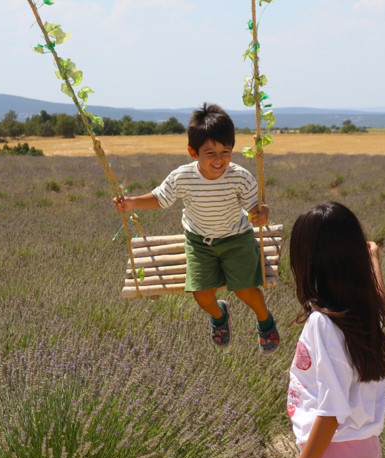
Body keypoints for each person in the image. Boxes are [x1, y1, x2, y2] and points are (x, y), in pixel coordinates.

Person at [273, 202, 385, 458]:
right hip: (362, 453)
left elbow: (330, 412)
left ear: (308, 260)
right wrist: (373, 261)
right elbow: (379, 296)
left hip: (333, 457)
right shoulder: (367, 311)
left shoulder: (323, 324)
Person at [113, 103, 279, 353]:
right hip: (200, 243)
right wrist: (131, 203)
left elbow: (256, 207)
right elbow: (160, 198)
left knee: (246, 291)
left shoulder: (241, 177)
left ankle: (265, 321)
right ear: (193, 152)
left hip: (237, 238)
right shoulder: (182, 177)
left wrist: (262, 214)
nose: (219, 159)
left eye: (226, 151)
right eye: (210, 152)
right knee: (201, 294)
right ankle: (219, 314)